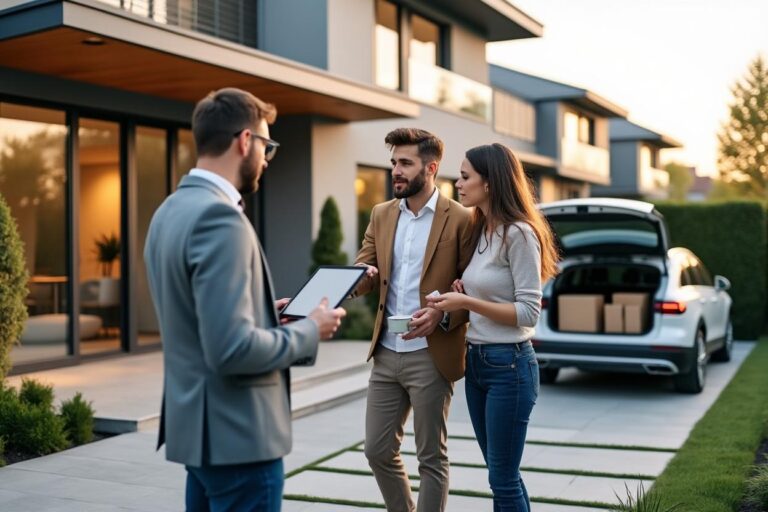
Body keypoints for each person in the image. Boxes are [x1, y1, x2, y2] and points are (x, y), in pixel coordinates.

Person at [143, 87, 346, 512]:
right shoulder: (220, 218)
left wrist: (260, 313)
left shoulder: (169, 211)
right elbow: (232, 349)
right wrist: (312, 329)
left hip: (198, 437)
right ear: (244, 141)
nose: (267, 159)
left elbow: (195, 313)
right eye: (266, 145)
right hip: (239, 440)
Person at [427, 143, 559, 511]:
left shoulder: (520, 234)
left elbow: (529, 312)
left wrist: (467, 301)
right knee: (502, 475)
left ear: (490, 182)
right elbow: (492, 297)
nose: (458, 183)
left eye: (466, 176)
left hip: (510, 367)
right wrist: (463, 292)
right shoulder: (482, 229)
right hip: (480, 364)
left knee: (501, 479)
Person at [353, 128, 474, 512]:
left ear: (431, 167)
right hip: (387, 352)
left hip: (432, 355)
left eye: (405, 163)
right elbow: (363, 264)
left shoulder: (462, 219)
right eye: (393, 163)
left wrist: (441, 316)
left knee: (431, 459)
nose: (396, 171)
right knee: (376, 449)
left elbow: (475, 291)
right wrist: (360, 279)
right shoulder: (381, 214)